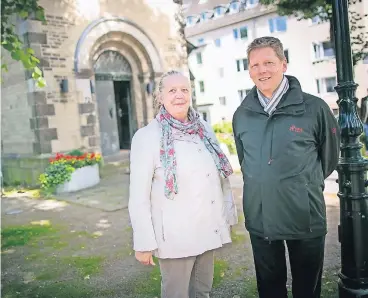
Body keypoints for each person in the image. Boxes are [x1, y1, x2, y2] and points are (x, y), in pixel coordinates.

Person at [232, 36, 340, 298]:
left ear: (284, 64)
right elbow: (245, 160)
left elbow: (328, 158)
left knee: (307, 289)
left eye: (269, 62)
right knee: (269, 289)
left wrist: (300, 184)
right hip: (261, 216)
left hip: (304, 215)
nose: (262, 70)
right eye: (255, 65)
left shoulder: (314, 108)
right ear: (249, 70)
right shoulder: (242, 114)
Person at [129, 70, 237, 298]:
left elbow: (219, 179)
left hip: (208, 227)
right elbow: (138, 197)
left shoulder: (204, 129)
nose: (179, 95)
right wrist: (144, 242)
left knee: (202, 292)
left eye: (184, 89)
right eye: (172, 90)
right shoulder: (146, 137)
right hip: (176, 236)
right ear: (160, 97)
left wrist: (226, 215)